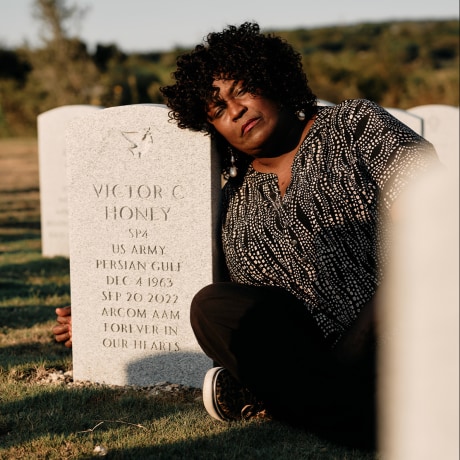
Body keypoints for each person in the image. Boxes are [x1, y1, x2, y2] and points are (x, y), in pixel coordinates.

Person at [52, 22, 440, 449]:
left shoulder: (352, 126)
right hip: (312, 357)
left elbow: (435, 219)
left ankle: (318, 406)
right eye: (217, 110)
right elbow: (197, 288)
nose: (234, 111)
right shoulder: (234, 199)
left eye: (242, 90)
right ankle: (350, 412)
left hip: (408, 326)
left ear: (274, 81)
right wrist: (100, 310)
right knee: (214, 306)